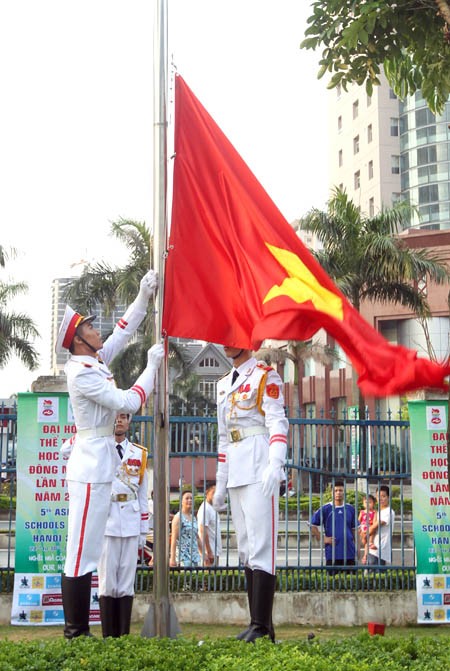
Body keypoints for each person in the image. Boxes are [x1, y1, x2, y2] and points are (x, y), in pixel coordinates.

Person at [55, 269, 164, 639]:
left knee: (85, 552)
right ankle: (75, 632)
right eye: (88, 327)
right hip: (89, 467)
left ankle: (79, 631)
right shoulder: (81, 372)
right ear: (78, 340)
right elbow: (127, 402)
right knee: (81, 552)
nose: (95, 328)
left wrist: (143, 296)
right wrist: (150, 369)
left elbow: (122, 331)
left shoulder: (95, 360)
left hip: (99, 464)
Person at [212, 347, 289, 643]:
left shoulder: (265, 376)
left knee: (262, 547)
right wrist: (220, 483)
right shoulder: (222, 385)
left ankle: (260, 625)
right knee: (245, 547)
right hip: (235, 467)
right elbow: (222, 437)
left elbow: (277, 422)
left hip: (259, 464)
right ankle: (259, 625)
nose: (228, 343)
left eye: (234, 336)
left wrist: (276, 463)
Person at [97, 412, 149, 637]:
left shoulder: (139, 453)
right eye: (116, 417)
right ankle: (109, 637)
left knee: (127, 581)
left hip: (130, 519)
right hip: (106, 521)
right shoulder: (99, 448)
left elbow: (143, 494)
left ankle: (123, 637)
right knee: (107, 581)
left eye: (124, 416)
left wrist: (142, 530)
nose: (119, 420)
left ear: (129, 422)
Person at [310, 480, 358, 571]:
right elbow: (312, 525)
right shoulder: (326, 509)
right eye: (335, 491)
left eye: (340, 490)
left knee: (350, 583)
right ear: (332, 493)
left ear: (344, 492)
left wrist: (358, 549)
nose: (338, 493)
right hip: (332, 554)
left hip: (349, 553)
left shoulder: (350, 508)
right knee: (332, 583)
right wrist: (323, 538)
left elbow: (354, 530)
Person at [169, 490, 201, 567]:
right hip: (183, 557)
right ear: (181, 501)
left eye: (191, 498)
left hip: (194, 556)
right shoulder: (178, 517)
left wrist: (203, 552)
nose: (189, 500)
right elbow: (173, 539)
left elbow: (197, 537)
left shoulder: (193, 518)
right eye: (187, 498)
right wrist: (172, 558)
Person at [367, 485, 395, 567]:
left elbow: (374, 526)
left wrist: (365, 533)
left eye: (383, 496)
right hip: (373, 548)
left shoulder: (388, 512)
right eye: (378, 496)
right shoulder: (379, 512)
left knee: (375, 575)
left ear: (388, 497)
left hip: (379, 549)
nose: (381, 499)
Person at [197, 483, 222, 566]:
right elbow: (203, 530)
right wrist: (209, 551)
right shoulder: (205, 509)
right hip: (210, 551)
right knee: (208, 577)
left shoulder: (212, 508)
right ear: (207, 492)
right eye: (213, 493)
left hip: (215, 550)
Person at [358, 493, 377, 563]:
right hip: (363, 529)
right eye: (366, 502)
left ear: (373, 503)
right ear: (363, 503)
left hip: (370, 529)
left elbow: (375, 522)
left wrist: (371, 528)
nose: (368, 504)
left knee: (370, 537)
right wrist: (360, 529)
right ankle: (364, 555)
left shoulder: (374, 512)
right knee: (364, 542)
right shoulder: (362, 512)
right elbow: (358, 521)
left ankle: (365, 556)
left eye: (370, 502)